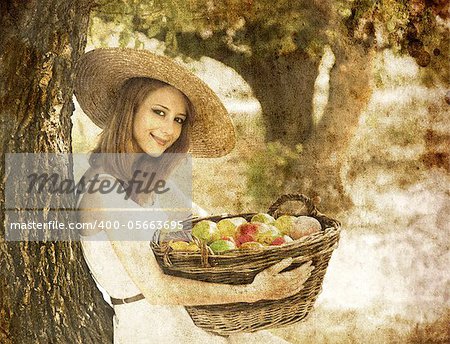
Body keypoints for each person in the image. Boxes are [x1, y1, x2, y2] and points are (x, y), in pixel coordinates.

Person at [74, 48, 313, 344]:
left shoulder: (151, 182)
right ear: (130, 110)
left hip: (194, 319)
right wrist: (251, 292)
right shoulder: (104, 186)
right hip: (155, 329)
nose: (169, 129)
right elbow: (157, 289)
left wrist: (278, 238)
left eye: (179, 119)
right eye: (159, 112)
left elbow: (212, 231)